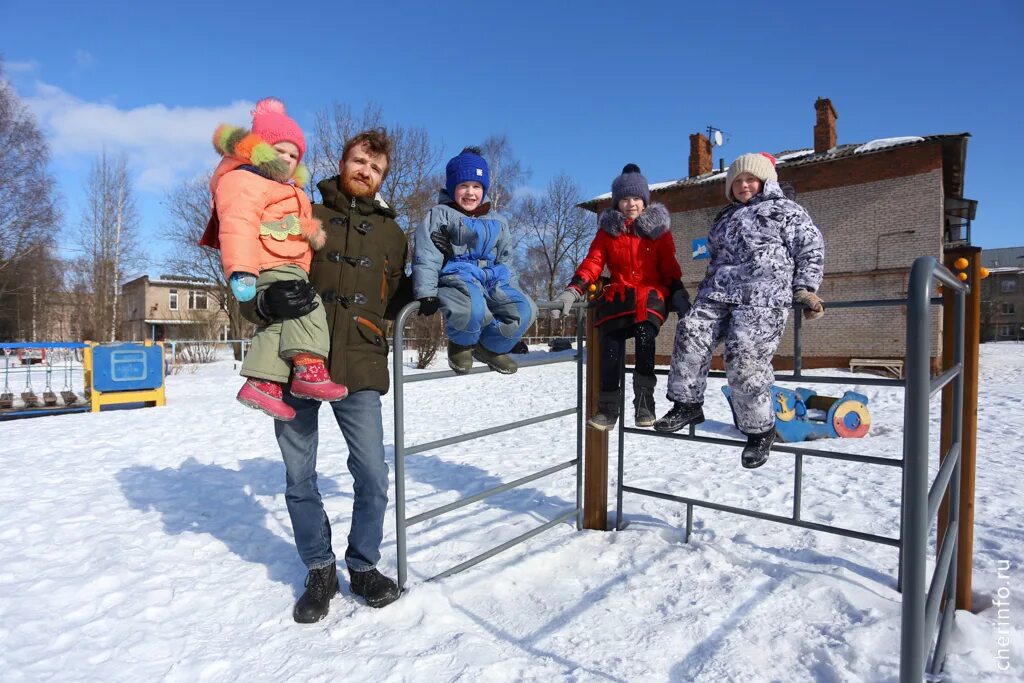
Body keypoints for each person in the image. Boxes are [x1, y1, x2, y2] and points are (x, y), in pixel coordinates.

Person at [244, 129, 412, 622]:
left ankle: (362, 566)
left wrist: (436, 290)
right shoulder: (299, 208)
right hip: (294, 362)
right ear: (342, 162)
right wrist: (261, 302)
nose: (366, 171)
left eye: (376, 168)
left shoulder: (393, 235)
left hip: (359, 362)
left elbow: (400, 298)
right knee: (299, 476)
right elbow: (259, 273)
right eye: (359, 161)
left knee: (374, 475)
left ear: (383, 177)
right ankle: (320, 569)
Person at [654, 153, 825, 469]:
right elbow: (715, 261)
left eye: (750, 179)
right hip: (719, 293)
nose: (744, 185)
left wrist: (806, 288)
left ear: (764, 181)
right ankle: (687, 403)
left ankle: (760, 430)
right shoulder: (724, 218)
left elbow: (810, 250)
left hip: (763, 297)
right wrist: (704, 295)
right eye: (737, 181)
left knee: (742, 357)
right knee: (691, 328)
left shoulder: (786, 211)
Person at [201, 98, 348, 421]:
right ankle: (309, 368)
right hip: (267, 263)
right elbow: (237, 224)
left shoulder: (285, 188)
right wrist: (242, 271)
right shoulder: (245, 180)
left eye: (294, 155)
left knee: (282, 321)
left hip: (286, 263)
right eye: (279, 150)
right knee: (307, 307)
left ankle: (261, 383)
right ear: (259, 150)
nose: (287, 158)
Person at [554, 164, 687, 430]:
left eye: (636, 198)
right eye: (625, 198)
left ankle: (644, 402)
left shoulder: (658, 231)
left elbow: (669, 266)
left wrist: (678, 292)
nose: (631, 204)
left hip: (650, 295)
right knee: (610, 344)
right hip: (620, 294)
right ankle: (608, 408)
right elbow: (594, 261)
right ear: (617, 202)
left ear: (645, 201)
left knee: (645, 335)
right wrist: (575, 288)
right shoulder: (608, 232)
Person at [413, 147, 537, 375]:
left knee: (526, 309)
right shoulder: (441, 214)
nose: (471, 192)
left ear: (485, 188)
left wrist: (512, 286)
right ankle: (461, 344)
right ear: (452, 187)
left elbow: (506, 258)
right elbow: (427, 253)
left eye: (477, 186)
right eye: (463, 186)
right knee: (474, 308)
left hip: (493, 277)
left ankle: (489, 347)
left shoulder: (498, 221)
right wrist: (426, 291)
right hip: (459, 274)